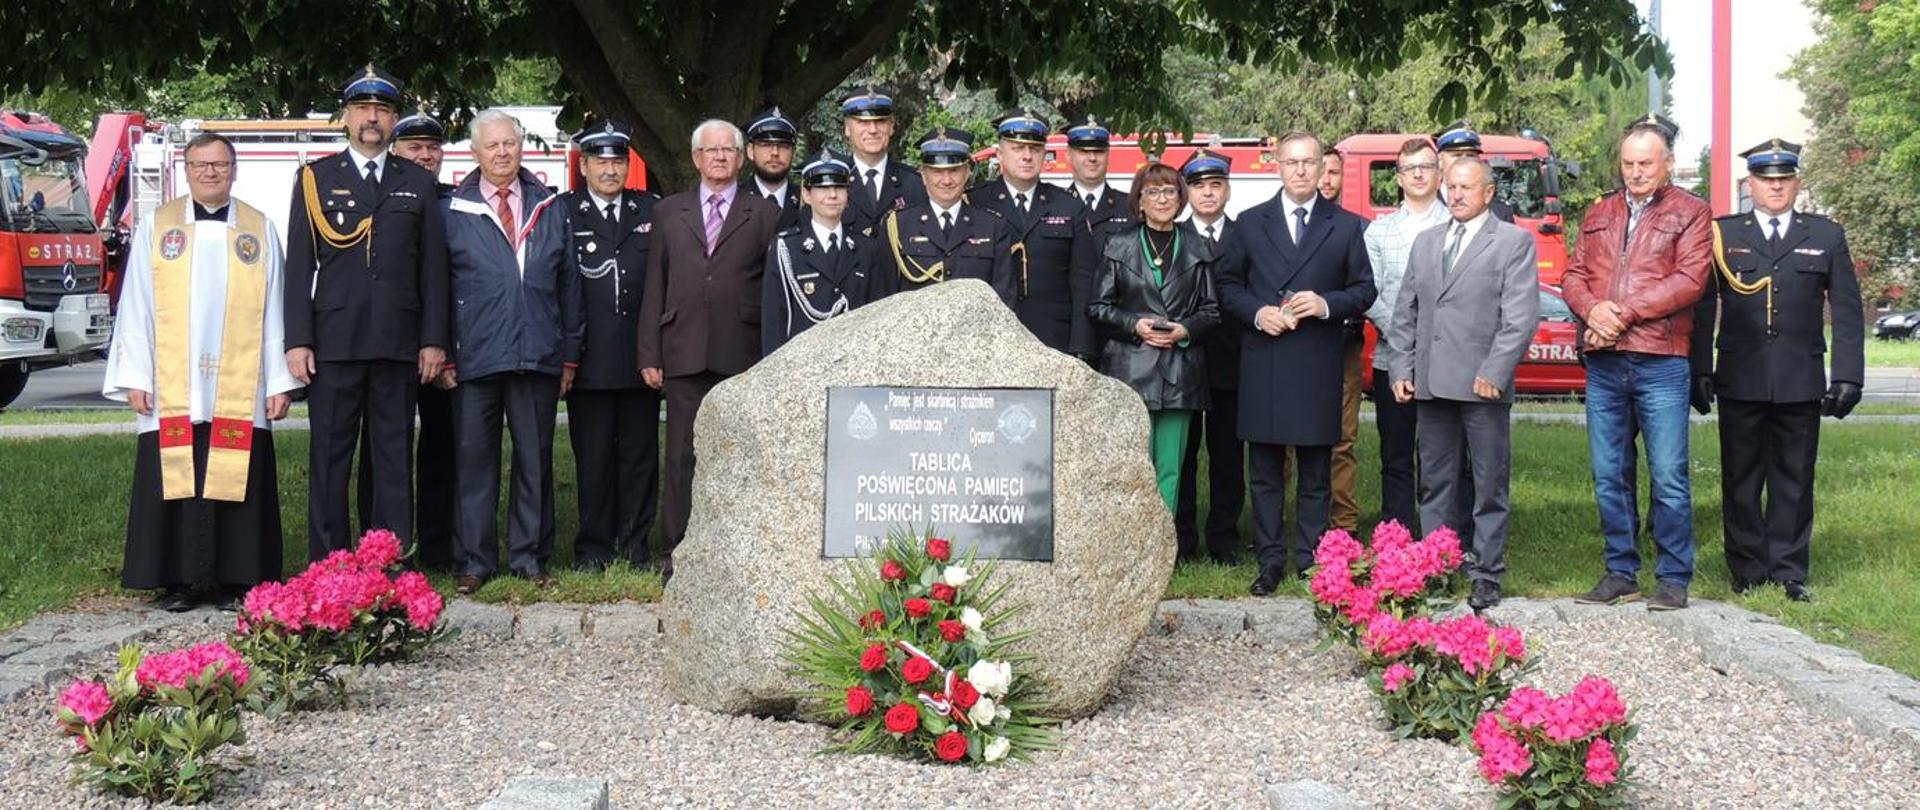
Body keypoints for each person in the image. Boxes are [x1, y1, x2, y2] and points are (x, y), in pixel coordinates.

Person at [104, 132, 300, 612]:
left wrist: (278, 380)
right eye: (200, 164)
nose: (210, 172)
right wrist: (136, 375)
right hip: (173, 383)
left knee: (240, 475)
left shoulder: (258, 229)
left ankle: (239, 579)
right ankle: (178, 581)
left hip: (241, 384)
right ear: (187, 170)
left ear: (234, 170)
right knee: (177, 475)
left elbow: (276, 309)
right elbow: (136, 303)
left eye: (220, 164)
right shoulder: (158, 227)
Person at [284, 65, 450, 562]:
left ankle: (387, 563)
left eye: (381, 110)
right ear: (346, 116)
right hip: (334, 342)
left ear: (394, 119)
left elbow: (433, 270)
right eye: (362, 109)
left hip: (399, 342)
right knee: (329, 459)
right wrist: (297, 339)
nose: (372, 118)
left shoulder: (415, 182)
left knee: (393, 459)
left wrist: (434, 339)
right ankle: (329, 564)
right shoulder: (315, 179)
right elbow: (299, 267)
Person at [1689, 139, 1865, 602]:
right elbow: (1704, 306)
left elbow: (1847, 309)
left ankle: (1788, 570)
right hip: (1740, 375)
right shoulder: (1723, 234)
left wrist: (1848, 375)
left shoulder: (1825, 235)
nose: (1776, 187)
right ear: (1750, 184)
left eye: (1784, 179)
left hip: (1799, 377)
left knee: (1794, 477)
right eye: (1766, 180)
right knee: (1741, 477)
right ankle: (1747, 568)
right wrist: (1699, 368)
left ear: (1797, 183)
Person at [1216, 131, 1376, 596]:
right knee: (1265, 472)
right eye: (1292, 162)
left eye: (1309, 162)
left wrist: (1326, 304)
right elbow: (1226, 286)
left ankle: (1309, 558)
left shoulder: (1346, 226)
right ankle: (1269, 560)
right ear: (1278, 166)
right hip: (1264, 358)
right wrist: (1257, 313)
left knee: (1316, 472)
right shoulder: (1250, 223)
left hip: (1316, 360)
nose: (1301, 170)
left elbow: (1365, 289)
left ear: (1323, 167)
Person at [1564, 113, 1712, 611]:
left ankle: (1672, 577)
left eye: (1645, 163)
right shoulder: (1599, 211)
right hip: (1605, 363)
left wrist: (1621, 314)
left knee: (1668, 474)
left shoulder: (1692, 211)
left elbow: (1689, 281)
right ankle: (1620, 572)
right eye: (1628, 163)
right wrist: (1592, 310)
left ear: (1667, 163)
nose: (1636, 172)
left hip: (1660, 360)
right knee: (1609, 473)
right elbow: (1573, 276)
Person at [437, 108, 584, 593]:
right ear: (474, 153)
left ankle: (529, 557)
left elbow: (569, 285)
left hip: (537, 352)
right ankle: (474, 561)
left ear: (521, 148)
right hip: (474, 356)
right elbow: (438, 288)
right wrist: (445, 352)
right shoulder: (452, 210)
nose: (502, 153)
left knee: (534, 461)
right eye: (492, 145)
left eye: (510, 144)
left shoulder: (550, 206)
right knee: (473, 463)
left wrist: (568, 354)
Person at [1386, 157, 1539, 610]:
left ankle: (1487, 572)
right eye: (1451, 186)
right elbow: (1405, 312)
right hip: (1431, 384)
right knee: (1434, 484)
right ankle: (1436, 568)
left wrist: (1496, 371)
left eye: (1466, 187)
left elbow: (1520, 318)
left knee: (1489, 484)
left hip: (1482, 385)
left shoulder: (1512, 242)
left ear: (1488, 193)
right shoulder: (1428, 242)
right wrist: (1401, 369)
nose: (1456, 195)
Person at [637, 119, 781, 581]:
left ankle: (736, 551)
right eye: (710, 150)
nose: (719, 157)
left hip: (742, 352)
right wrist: (649, 353)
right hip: (682, 349)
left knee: (739, 454)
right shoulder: (668, 212)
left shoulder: (764, 214)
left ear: (741, 158)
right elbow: (655, 284)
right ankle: (674, 552)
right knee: (682, 456)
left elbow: (773, 288)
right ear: (696, 158)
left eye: (728, 150)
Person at [354, 110, 456, 570]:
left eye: (433, 148)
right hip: (388, 342)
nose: (425, 156)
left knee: (441, 448)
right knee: (381, 450)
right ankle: (377, 545)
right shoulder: (378, 195)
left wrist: (443, 344)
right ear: (395, 151)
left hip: (441, 347)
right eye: (415, 147)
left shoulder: (455, 201)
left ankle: (437, 548)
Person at [1088, 163, 1220, 513]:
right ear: (1140, 201)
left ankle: (1162, 542)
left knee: (1170, 468)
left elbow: (1211, 311)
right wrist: (1135, 325)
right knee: (1131, 468)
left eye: (1170, 191)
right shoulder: (1118, 244)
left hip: (1179, 374)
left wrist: (1185, 330)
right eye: (1153, 191)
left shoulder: (1198, 246)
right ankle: (1129, 540)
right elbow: (1097, 308)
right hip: (1130, 372)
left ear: (1180, 198)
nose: (1162, 199)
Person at [562, 121, 662, 571]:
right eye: (600, 161)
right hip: (590, 358)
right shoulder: (565, 212)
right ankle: (594, 548)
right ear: (584, 166)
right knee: (594, 459)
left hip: (640, 358)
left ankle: (636, 545)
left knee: (640, 458)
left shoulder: (650, 210)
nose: (609, 170)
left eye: (617, 161)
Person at [1363, 137, 1450, 530]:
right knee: (1396, 455)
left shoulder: (1456, 225)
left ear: (1439, 174)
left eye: (1425, 167)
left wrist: (1429, 336)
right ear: (1398, 177)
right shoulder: (1379, 231)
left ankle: (1443, 536)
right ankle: (1396, 536)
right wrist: (1403, 338)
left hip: (1445, 359)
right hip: (1392, 359)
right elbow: (1370, 292)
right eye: (1409, 168)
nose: (1418, 174)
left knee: (1442, 455)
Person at [966, 110, 1097, 353]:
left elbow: (1084, 283)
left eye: (1035, 149)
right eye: (1018, 148)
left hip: (1053, 340)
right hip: (987, 339)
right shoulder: (976, 203)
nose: (1027, 156)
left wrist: (1081, 348)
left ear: (1044, 154)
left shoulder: (1069, 206)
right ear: (999, 154)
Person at [1172, 148, 1245, 564]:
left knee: (1228, 457)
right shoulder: (1172, 235)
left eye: (1216, 185)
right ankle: (1182, 539)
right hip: (1183, 361)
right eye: (1199, 186)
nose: (1208, 193)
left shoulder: (1246, 234)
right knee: (1182, 456)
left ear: (1227, 190)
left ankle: (1224, 540)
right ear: (1187, 192)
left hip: (1232, 360)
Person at [763, 151, 893, 354]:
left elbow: (879, 314)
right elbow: (774, 322)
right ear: (807, 195)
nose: (832, 195)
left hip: (855, 358)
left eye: (839, 187)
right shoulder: (786, 248)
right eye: (822, 188)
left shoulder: (866, 248)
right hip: (801, 361)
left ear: (848, 194)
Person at [878, 128, 1017, 303]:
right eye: (937, 172)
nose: (946, 180)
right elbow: (883, 298)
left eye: (954, 170)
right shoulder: (898, 225)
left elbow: (1004, 298)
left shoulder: (993, 227)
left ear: (967, 172)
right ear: (923, 175)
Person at [1319, 143, 1365, 531]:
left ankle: (1344, 525)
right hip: (1290, 345)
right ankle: (1279, 525)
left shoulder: (1358, 227)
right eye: (1320, 170)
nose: (1325, 179)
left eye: (1333, 172)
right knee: (1283, 444)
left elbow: (1366, 289)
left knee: (1342, 438)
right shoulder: (1279, 226)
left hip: (1343, 345)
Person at [835, 86, 927, 240]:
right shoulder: (833, 182)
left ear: (891, 127)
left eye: (880, 121)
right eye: (863, 122)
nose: (873, 130)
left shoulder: (915, 184)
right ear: (847, 129)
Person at [1433, 121, 1515, 223]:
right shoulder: (1423, 205)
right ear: (1440, 159)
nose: (1464, 160)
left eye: (1470, 155)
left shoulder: (1499, 212)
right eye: (1457, 155)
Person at [740, 106, 806, 232]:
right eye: (766, 145)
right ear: (750, 151)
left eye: (783, 146)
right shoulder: (733, 201)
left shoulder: (809, 202)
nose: (775, 152)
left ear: (794, 153)